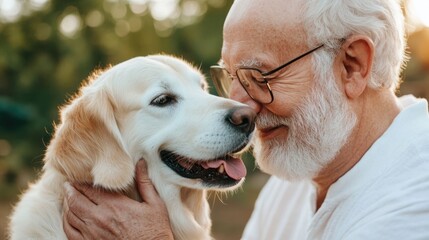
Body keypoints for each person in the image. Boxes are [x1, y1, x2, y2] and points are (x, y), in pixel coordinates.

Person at [63, 0, 429, 239]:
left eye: (260, 77)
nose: (241, 106)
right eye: (231, 77)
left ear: (352, 65)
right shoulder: (299, 175)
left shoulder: (415, 203)